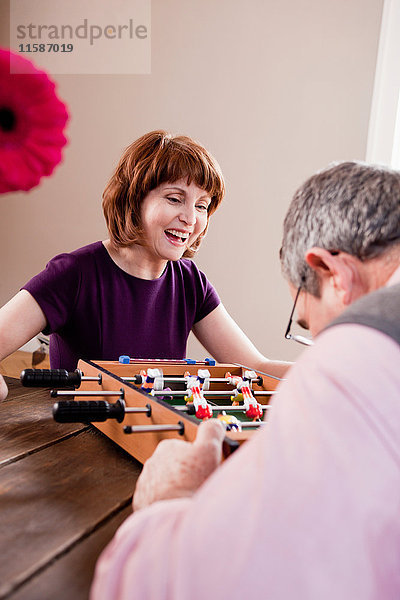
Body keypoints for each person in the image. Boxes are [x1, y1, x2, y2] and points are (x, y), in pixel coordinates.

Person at [90, 161, 400, 599]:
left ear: (334, 275)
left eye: (308, 324)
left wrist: (169, 500)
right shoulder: (82, 268)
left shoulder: (359, 371)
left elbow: (167, 585)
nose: (189, 215)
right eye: (174, 198)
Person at [0, 130, 289, 402]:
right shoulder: (74, 273)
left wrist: (327, 371)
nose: (190, 218)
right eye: (175, 199)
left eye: (202, 205)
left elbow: (255, 366)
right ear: (133, 200)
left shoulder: (191, 283)